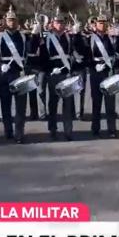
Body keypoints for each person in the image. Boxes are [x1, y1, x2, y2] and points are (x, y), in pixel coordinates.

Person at [0, 5, 29, 143]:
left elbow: (29, 55)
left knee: (20, 106)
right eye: (9, 20)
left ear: (17, 21)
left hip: (18, 73)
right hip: (4, 74)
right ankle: (8, 130)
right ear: (5, 21)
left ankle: (19, 133)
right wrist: (0, 65)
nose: (12, 22)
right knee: (5, 104)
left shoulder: (24, 37)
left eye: (14, 20)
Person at [40, 8, 78, 140]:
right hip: (53, 73)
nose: (60, 25)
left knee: (68, 103)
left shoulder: (69, 37)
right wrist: (50, 69)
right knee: (53, 103)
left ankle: (68, 130)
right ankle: (53, 129)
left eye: (61, 22)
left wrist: (77, 34)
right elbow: (43, 57)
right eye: (57, 22)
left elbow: (76, 52)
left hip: (66, 73)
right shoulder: (48, 38)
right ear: (52, 24)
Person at [88, 10, 118, 138]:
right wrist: (94, 65)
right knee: (97, 102)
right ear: (95, 24)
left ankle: (112, 129)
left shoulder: (111, 38)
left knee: (110, 102)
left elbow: (116, 54)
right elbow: (86, 55)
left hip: (108, 71)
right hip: (96, 72)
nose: (102, 25)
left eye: (104, 23)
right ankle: (95, 128)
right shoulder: (91, 38)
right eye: (100, 23)